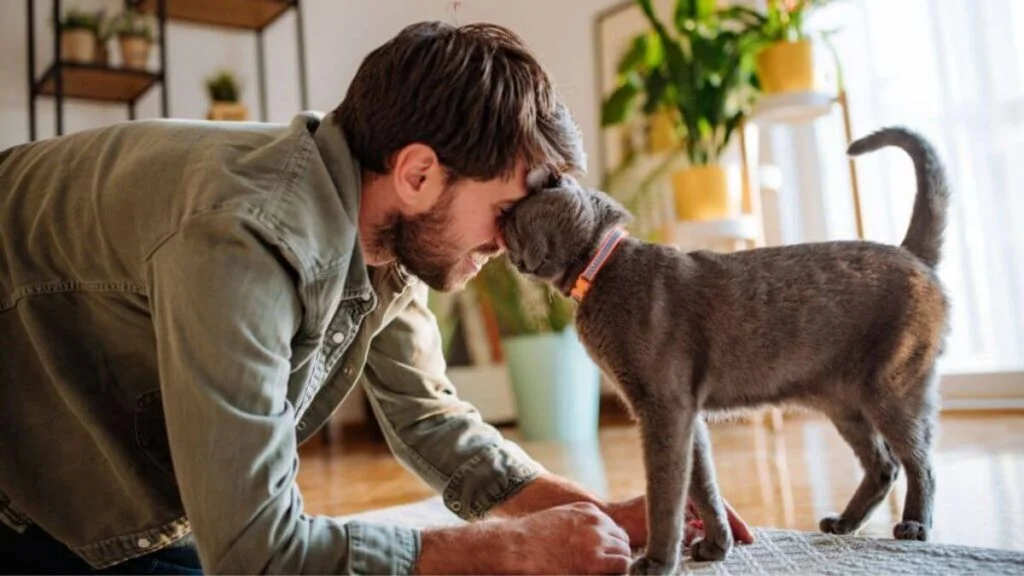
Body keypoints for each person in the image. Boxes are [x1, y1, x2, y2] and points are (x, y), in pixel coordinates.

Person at [0, 20, 752, 574]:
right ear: (420, 172)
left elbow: (427, 416)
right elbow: (255, 554)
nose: (513, 242)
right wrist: (503, 553)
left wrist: (576, 510)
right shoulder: (243, 241)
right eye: (505, 211)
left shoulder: (383, 226)